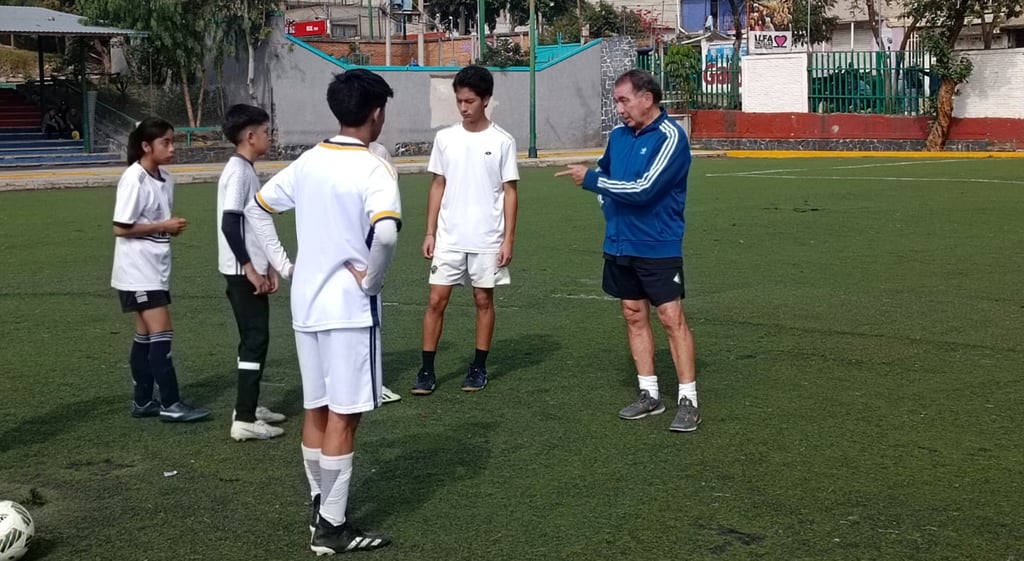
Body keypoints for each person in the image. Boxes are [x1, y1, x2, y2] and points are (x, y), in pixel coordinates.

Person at [245, 69, 399, 554]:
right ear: (376, 113)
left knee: (317, 407)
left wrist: (286, 265)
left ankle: (320, 507)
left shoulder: (310, 160)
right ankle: (332, 527)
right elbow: (388, 234)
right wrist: (372, 279)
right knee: (345, 415)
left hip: (306, 304)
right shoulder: (374, 168)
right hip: (349, 309)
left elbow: (258, 206)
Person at [555, 69, 700, 433]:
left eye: (624, 100)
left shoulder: (671, 137)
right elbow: (607, 175)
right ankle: (648, 394)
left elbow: (644, 188)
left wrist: (590, 181)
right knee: (633, 314)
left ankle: (688, 399)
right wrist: (606, 203)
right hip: (620, 243)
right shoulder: (619, 137)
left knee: (670, 318)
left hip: (657, 245)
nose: (618, 109)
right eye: (616, 101)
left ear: (647, 99)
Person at [411, 64, 519, 395]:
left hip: (487, 238)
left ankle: (479, 367)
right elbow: (437, 184)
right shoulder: (445, 138)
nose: (463, 107)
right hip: (449, 237)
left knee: (482, 300)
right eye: (459, 101)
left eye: (469, 101)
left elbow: (510, 192)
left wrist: (508, 239)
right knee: (435, 300)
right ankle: (427, 371)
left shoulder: (503, 141)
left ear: (486, 100)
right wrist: (430, 232)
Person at [112, 118, 210, 423]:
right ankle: (171, 402)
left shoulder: (166, 178)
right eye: (165, 142)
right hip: (137, 270)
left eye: (173, 141)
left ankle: (143, 401)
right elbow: (120, 228)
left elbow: (151, 226)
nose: (171, 148)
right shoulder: (134, 179)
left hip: (155, 267)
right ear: (146, 146)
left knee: (145, 336)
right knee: (162, 333)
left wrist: (165, 230)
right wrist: (163, 226)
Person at [216, 104, 290, 442]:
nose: (269, 137)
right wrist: (249, 269)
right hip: (240, 273)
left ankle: (249, 404)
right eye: (265, 131)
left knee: (254, 339)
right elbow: (230, 222)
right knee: (255, 339)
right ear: (250, 136)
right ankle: (244, 419)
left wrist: (269, 265)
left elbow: (252, 223)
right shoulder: (238, 171)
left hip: (251, 269)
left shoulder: (246, 169)